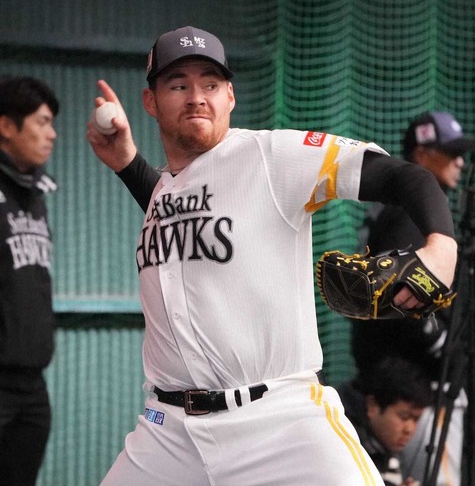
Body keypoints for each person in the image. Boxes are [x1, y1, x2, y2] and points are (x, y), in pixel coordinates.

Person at [86, 26, 458, 485]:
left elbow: (405, 177)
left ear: (230, 96)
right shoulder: (167, 189)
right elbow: (188, 209)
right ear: (151, 101)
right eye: (178, 85)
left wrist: (442, 245)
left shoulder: (271, 157)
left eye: (210, 84)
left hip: (280, 423)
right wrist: (128, 165)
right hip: (168, 432)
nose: (196, 97)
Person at [353, 111, 475, 486]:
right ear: (421, 154)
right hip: (418, 390)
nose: (460, 162)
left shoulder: (395, 209)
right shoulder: (413, 215)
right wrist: (442, 346)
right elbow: (402, 295)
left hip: (397, 387)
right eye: (450, 152)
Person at [0, 76, 59, 485]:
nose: (52, 134)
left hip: (32, 386)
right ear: (6, 126)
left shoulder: (35, 193)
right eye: (42, 122)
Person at [337, 356, 434, 486]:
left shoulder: (382, 445)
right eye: (404, 417)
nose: (409, 429)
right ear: (372, 406)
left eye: (416, 420)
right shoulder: (342, 442)